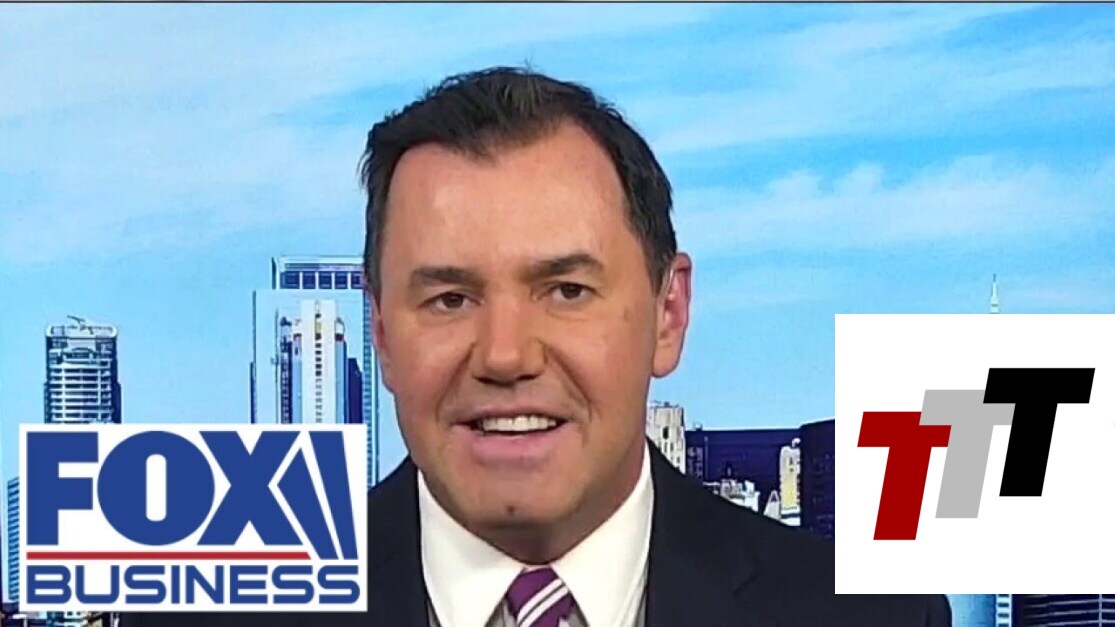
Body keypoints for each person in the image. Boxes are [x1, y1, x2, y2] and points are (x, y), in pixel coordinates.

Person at [122, 67, 950, 627]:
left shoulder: (866, 614)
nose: (505, 355)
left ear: (667, 313)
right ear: (380, 333)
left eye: (566, 291)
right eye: (449, 298)